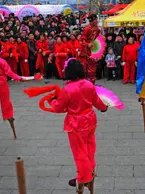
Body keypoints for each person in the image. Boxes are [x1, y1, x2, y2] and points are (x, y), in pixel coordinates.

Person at [49, 59, 108, 194]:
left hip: (76, 124)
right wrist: (104, 108)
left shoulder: (67, 89)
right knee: (90, 148)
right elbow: (97, 101)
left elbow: (58, 108)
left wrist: (53, 102)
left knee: (79, 152)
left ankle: (82, 178)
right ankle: (90, 172)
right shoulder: (88, 84)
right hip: (90, 119)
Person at [79, 14, 101, 84]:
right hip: (87, 50)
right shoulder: (87, 29)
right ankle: (87, 82)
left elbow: (97, 39)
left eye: (96, 20)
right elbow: (82, 40)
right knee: (87, 67)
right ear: (91, 21)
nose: (96, 21)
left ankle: (92, 81)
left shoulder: (97, 29)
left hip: (93, 49)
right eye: (95, 20)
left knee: (93, 65)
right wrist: (87, 44)